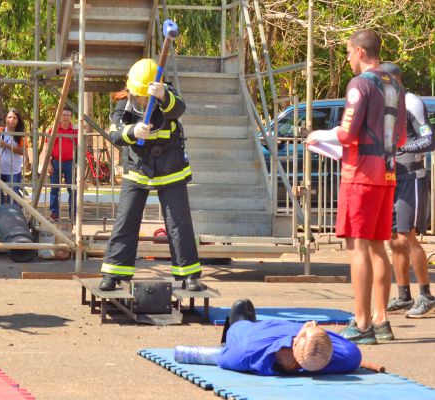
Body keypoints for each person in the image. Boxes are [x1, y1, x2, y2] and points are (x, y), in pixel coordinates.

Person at [307, 30, 407, 344]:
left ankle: (362, 322)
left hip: (360, 175)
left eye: (349, 52)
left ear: (360, 52)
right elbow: (401, 138)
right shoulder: (395, 86)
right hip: (387, 174)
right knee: (378, 247)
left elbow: (348, 133)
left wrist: (318, 136)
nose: (348, 58)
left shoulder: (360, 84)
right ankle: (381, 319)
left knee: (358, 248)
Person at [98, 58, 202, 292]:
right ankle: (114, 273)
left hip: (170, 167)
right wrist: (132, 131)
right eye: (140, 98)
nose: (143, 102)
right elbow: (114, 133)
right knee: (126, 220)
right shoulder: (125, 102)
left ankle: (188, 275)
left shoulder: (168, 96)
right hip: (138, 168)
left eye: (147, 99)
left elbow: (179, 109)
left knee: (179, 223)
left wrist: (164, 97)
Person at [380, 62, 435, 318]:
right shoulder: (384, 105)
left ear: (395, 80)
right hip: (390, 177)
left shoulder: (412, 102)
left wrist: (401, 149)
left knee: (407, 236)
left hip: (411, 177)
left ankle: (425, 294)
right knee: (393, 239)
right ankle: (403, 295)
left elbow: (428, 140)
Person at [213, 299, 361, 376]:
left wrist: (309, 329)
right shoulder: (348, 357)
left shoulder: (248, 350)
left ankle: (241, 321)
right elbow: (342, 345)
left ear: (295, 341)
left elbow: (222, 359)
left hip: (253, 332)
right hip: (272, 337)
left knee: (238, 327)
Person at [45, 106, 78, 221]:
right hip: (55, 162)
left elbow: (80, 147)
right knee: (54, 188)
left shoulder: (75, 131)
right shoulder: (53, 130)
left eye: (68, 115)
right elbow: (47, 148)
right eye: (63, 115)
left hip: (70, 163)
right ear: (60, 116)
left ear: (71, 117)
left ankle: (73, 214)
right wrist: (48, 164)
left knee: (72, 189)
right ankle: (54, 213)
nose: (65, 117)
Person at [0, 108, 25, 207]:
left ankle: (12, 221)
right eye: (9, 117)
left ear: (18, 120)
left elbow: (23, 151)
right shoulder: (0, 131)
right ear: (6, 118)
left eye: (14, 118)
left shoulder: (20, 134)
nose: (11, 120)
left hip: (13, 172)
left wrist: (6, 145)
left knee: (12, 201)